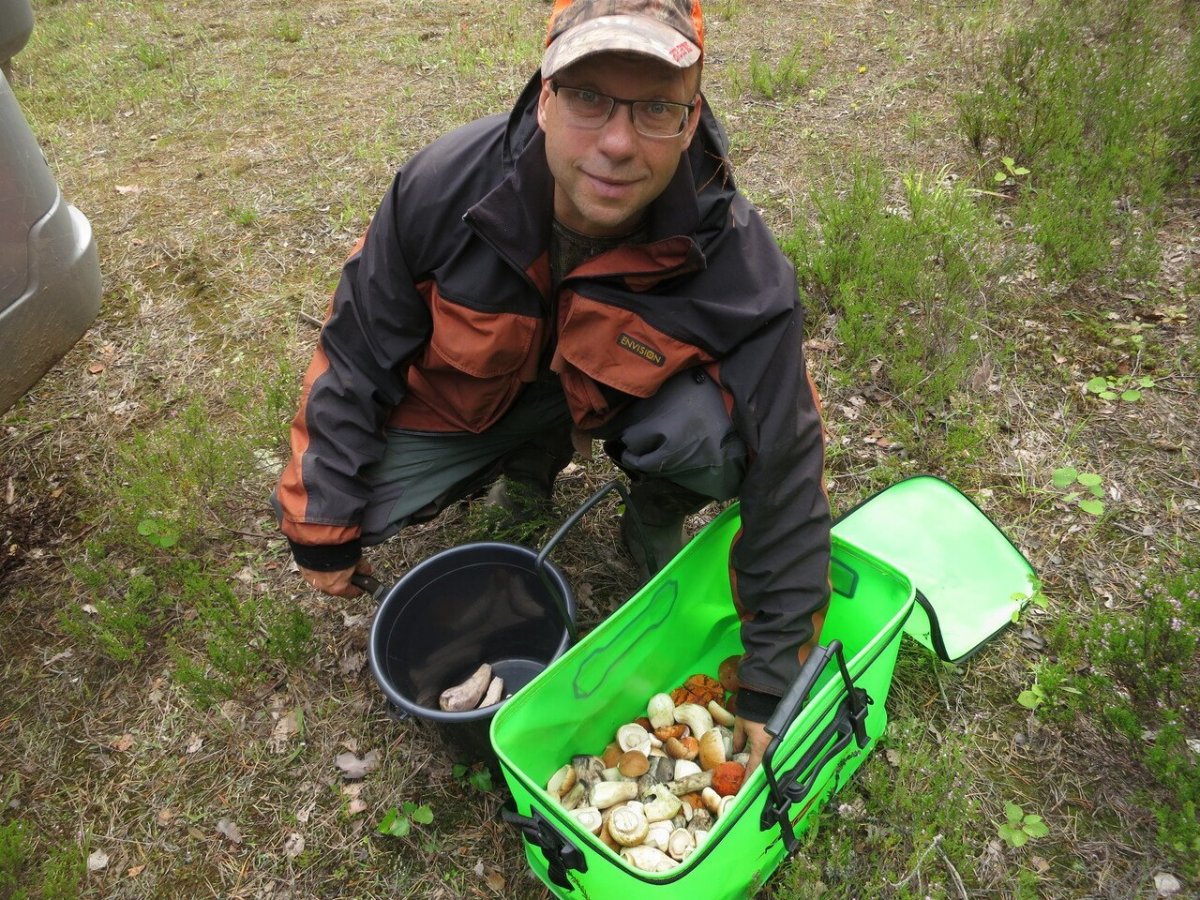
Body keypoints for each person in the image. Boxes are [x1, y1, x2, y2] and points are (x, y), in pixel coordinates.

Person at [271, 0, 831, 774]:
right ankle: (525, 466)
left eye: (657, 109)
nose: (616, 143)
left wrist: (772, 682)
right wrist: (321, 520)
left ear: (691, 116)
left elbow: (788, 469)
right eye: (588, 97)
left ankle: (655, 510)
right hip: (483, 400)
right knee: (355, 505)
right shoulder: (442, 188)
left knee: (715, 437)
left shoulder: (737, 262)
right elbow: (357, 351)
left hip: (622, 405)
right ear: (544, 96)